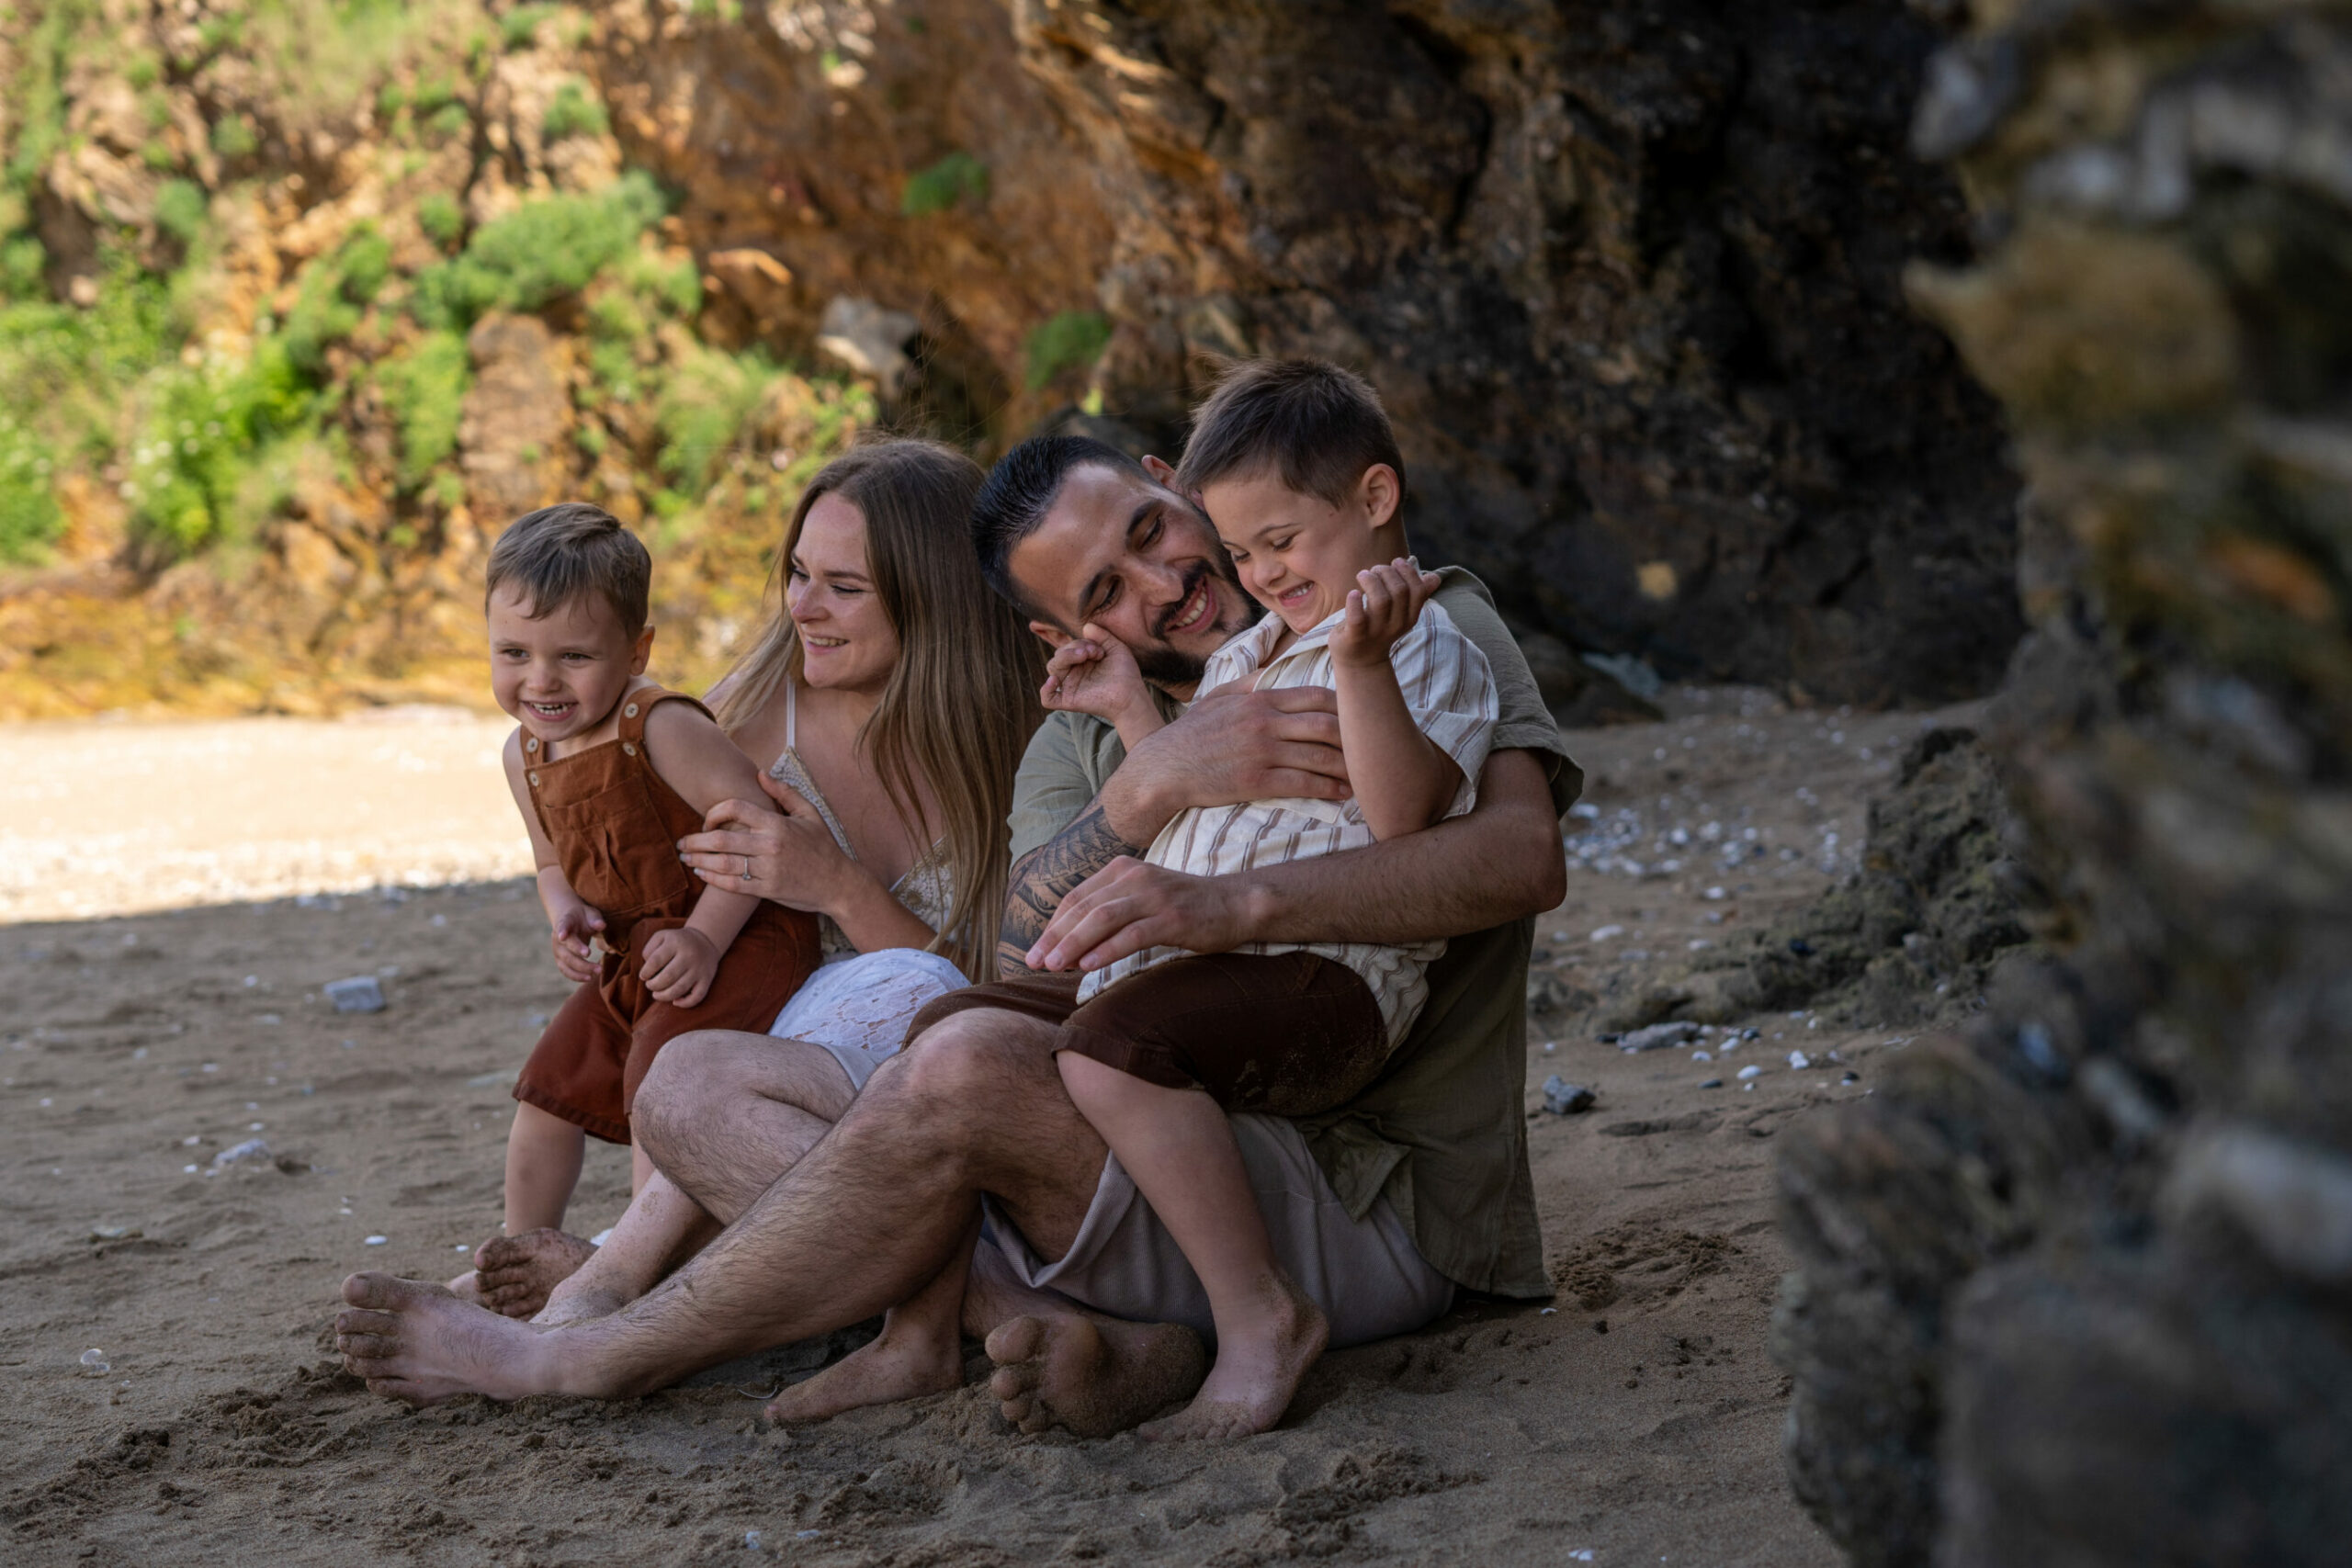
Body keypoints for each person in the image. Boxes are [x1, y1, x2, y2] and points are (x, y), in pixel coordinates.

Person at [335, 384, 1577, 1438]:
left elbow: (1520, 859)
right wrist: (1152, 780)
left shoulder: (1403, 620)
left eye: (1156, 530)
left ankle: (586, 1353)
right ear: (1062, 630)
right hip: (1113, 1161)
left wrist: (1230, 900)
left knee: (967, 1056)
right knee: (694, 1084)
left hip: (1364, 1197)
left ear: (1179, 487)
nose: (1169, 582)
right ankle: (1061, 1331)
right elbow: (1031, 952)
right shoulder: (1078, 744)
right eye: (1106, 589)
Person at [466, 439, 1045, 1329]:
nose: (803, 606)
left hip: (927, 1091)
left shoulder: (1020, 738)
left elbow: (999, 1000)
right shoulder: (739, 717)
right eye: (798, 573)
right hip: (759, 1108)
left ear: (933, 594)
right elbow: (637, 876)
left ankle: (621, 1272)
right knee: (624, 1085)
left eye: (844, 587)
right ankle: (602, 1269)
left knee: (897, 1005)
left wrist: (840, 888)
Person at [1023, 360, 1498, 1438]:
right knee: (953, 1029)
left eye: (1281, 541)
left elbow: (1404, 819)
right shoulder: (1251, 646)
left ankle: (1259, 1319)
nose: (1263, 572)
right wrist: (1133, 715)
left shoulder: (1427, 637)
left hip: (1327, 971)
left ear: (1373, 498)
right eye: (1242, 552)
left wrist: (1362, 665)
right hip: (1202, 963)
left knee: (1110, 1052)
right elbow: (1206, 803)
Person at [458, 502, 821, 1303]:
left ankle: (639, 1270)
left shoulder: (657, 726)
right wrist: (564, 913)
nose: (541, 681)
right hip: (633, 954)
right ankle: (518, 1262)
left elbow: (757, 832)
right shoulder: (524, 753)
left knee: (659, 1083)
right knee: (548, 1087)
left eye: (574, 656)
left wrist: (705, 940)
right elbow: (550, 861)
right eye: (513, 653)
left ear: (637, 650)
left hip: (738, 934)